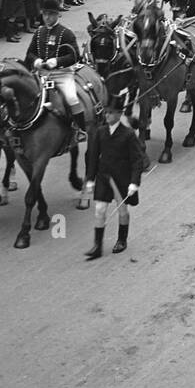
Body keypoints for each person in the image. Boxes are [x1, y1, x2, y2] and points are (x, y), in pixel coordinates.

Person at [83, 92, 144, 261]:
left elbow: (137, 160)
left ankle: (122, 239)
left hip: (122, 177)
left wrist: (134, 183)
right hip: (103, 176)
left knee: (122, 209)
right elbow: (93, 156)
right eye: (106, 112)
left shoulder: (128, 134)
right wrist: (89, 179)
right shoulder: (100, 132)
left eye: (110, 113)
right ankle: (97, 245)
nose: (107, 115)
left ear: (118, 114)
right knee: (100, 209)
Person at [24, 0, 86, 138]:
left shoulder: (66, 33)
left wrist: (57, 61)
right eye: (45, 14)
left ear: (58, 14)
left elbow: (75, 56)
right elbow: (29, 54)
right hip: (41, 75)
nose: (47, 17)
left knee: (71, 98)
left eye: (51, 14)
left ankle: (80, 130)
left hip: (62, 74)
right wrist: (36, 61)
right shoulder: (39, 32)